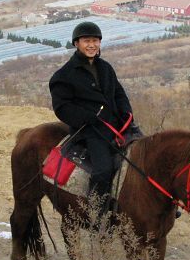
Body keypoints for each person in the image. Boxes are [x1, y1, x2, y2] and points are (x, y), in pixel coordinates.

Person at [49, 21, 141, 213]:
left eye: (95, 41)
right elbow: (62, 108)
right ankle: (96, 211)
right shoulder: (63, 76)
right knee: (103, 170)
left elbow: (119, 94)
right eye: (86, 41)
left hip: (119, 126)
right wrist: (89, 118)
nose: (91, 45)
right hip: (91, 131)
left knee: (148, 156)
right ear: (76, 43)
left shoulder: (106, 68)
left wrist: (127, 114)